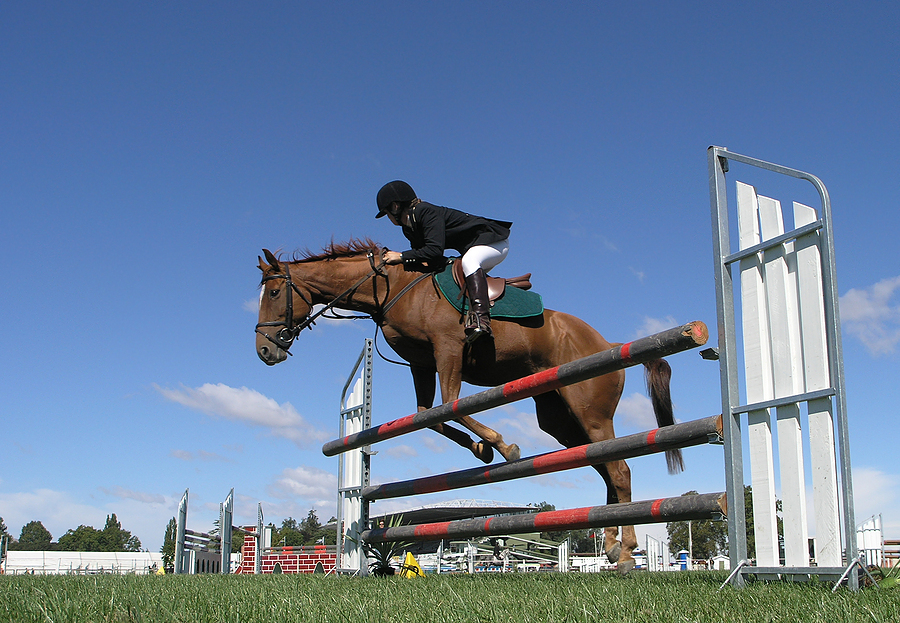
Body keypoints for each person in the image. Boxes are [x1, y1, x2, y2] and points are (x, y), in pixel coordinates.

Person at [376, 180, 511, 343]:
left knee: (469, 261)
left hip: (493, 242)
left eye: (387, 212)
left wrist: (401, 257)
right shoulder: (409, 227)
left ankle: (482, 321)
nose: (388, 218)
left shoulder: (424, 211)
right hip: (473, 247)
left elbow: (434, 250)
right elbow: (426, 259)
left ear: (395, 206)